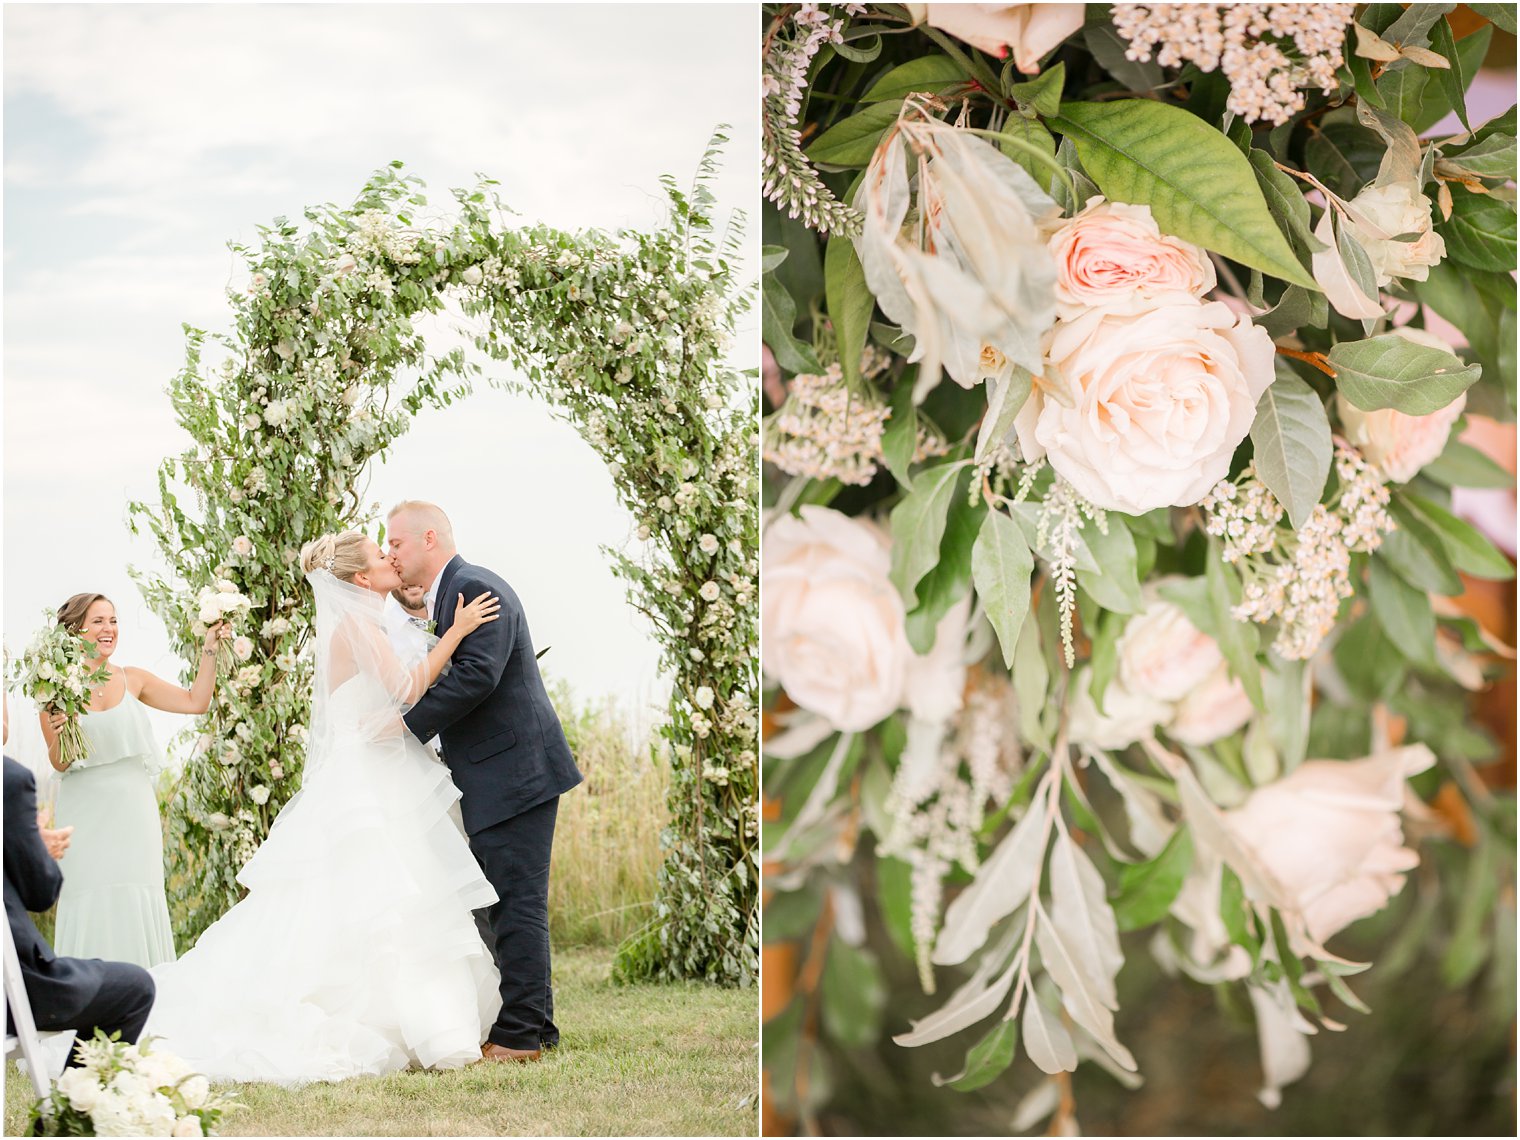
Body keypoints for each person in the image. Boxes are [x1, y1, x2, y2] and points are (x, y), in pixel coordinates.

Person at [142, 531, 505, 1083]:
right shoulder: (359, 624)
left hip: (379, 765)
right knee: (385, 893)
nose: (390, 557)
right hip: (369, 777)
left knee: (395, 892)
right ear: (361, 578)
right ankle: (411, 1021)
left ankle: (424, 1021)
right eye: (382, 556)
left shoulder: (363, 620)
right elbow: (406, 688)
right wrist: (456, 632)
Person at [386, 500, 583, 1064]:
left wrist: (406, 728)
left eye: (396, 543)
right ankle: (534, 1025)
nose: (391, 553)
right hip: (501, 770)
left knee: (515, 902)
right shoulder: (449, 594)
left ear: (429, 539)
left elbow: (477, 675)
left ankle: (520, 1035)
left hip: (515, 771)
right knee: (510, 900)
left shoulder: (471, 586)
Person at [38, 594, 227, 969]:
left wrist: (209, 650)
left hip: (133, 812)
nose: (109, 629)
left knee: (137, 895)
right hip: (84, 814)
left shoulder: (133, 679)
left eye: (113, 620)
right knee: (87, 895)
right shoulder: (54, 690)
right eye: (98, 621)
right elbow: (59, 760)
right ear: (74, 631)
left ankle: (143, 997)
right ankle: (90, 1001)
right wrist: (61, 731)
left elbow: (195, 701)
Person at [5, 756, 156, 1069]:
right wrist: (36, 852)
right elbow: (41, 894)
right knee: (134, 989)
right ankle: (69, 1116)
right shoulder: (9, 780)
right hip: (11, 992)